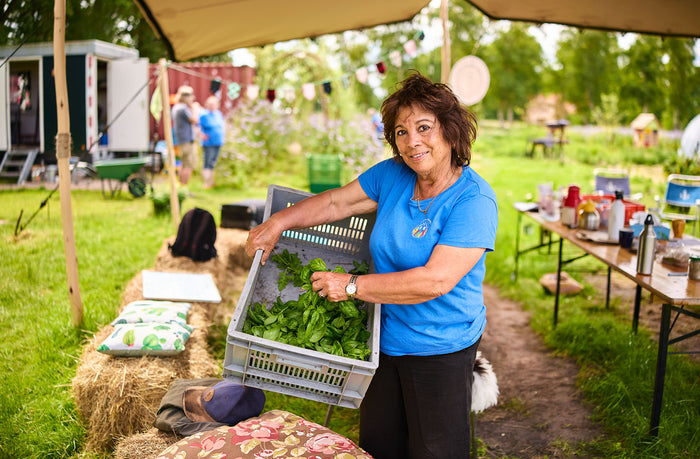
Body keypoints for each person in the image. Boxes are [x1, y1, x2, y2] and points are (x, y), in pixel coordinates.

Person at [245, 71, 498, 458]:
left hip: (441, 346)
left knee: (435, 451)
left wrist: (350, 286)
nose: (412, 142)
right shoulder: (393, 175)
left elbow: (434, 281)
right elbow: (335, 202)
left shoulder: (474, 200)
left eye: (424, 127)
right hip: (382, 339)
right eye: (401, 132)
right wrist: (278, 222)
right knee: (380, 447)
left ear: (450, 130)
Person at [171, 85, 198, 185]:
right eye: (191, 96)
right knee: (188, 164)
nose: (192, 98)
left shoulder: (176, 107)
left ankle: (180, 185)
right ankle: (184, 186)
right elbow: (195, 120)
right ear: (186, 97)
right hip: (187, 140)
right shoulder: (183, 108)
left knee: (183, 163)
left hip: (181, 139)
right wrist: (194, 109)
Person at [198, 96, 225, 189]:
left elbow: (222, 125)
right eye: (210, 104)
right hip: (209, 142)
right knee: (208, 162)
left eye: (214, 104)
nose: (212, 106)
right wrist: (201, 135)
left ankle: (211, 182)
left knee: (213, 162)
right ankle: (206, 183)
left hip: (218, 141)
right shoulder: (204, 115)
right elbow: (197, 127)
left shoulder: (218, 114)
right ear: (207, 105)